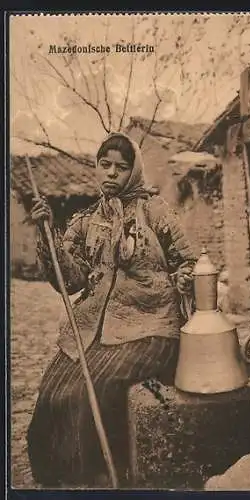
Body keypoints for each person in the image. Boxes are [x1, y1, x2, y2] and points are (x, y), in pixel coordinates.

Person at [27, 132, 196, 488]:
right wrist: (47, 234)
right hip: (91, 328)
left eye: (121, 167)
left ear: (133, 171)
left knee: (99, 387)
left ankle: (101, 475)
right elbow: (69, 282)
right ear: (97, 167)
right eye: (105, 165)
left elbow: (190, 259)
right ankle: (64, 478)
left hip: (148, 324)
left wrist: (183, 279)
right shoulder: (88, 219)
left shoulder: (156, 211)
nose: (112, 174)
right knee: (54, 392)